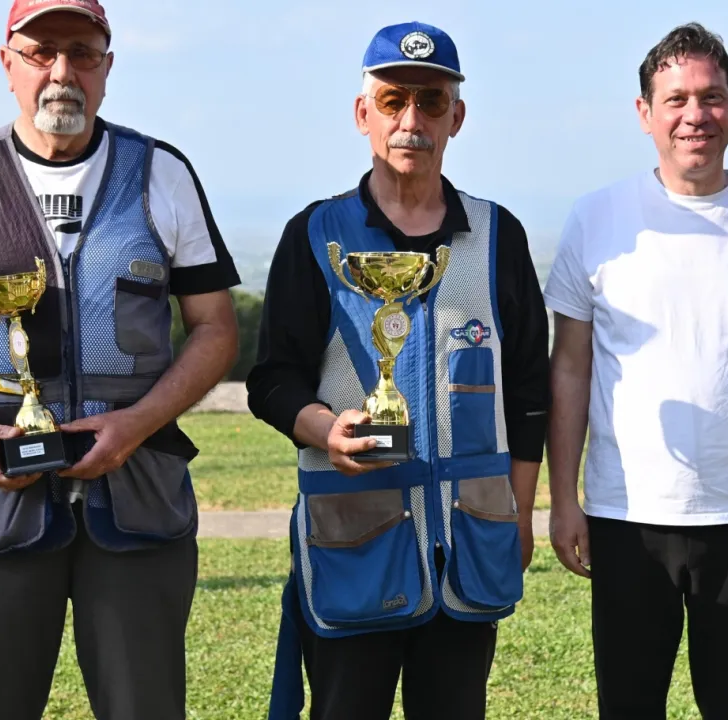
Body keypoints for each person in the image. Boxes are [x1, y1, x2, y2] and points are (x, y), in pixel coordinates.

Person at [0, 1, 241, 718]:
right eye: (40, 51)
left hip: (139, 494)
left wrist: (138, 424)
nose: (61, 71)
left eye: (81, 52)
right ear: (7, 63)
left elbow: (215, 329)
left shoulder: (161, 172)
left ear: (107, 67)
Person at [247, 21, 549, 720]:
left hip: (469, 547)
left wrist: (520, 512)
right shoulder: (316, 235)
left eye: (431, 101)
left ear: (456, 117)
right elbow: (272, 379)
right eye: (393, 101)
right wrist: (324, 430)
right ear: (364, 114)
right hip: (353, 543)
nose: (412, 119)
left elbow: (529, 389)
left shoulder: (498, 236)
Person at [544, 22, 728, 719]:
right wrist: (563, 497)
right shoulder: (595, 219)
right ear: (645, 113)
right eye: (675, 100)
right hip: (625, 516)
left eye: (710, 97)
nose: (694, 115)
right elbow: (571, 368)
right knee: (628, 706)